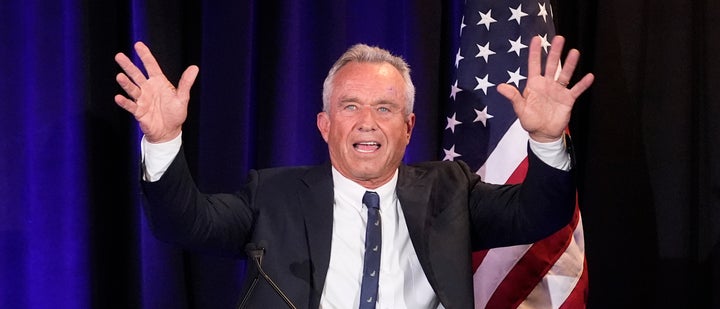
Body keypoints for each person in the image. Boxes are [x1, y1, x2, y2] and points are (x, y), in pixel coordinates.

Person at [114, 36, 594, 309]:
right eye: (351, 106)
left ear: (407, 128)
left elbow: (542, 212)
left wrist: (548, 140)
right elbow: (185, 222)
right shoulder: (274, 195)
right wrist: (162, 142)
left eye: (385, 108)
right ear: (325, 125)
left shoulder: (450, 190)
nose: (367, 121)